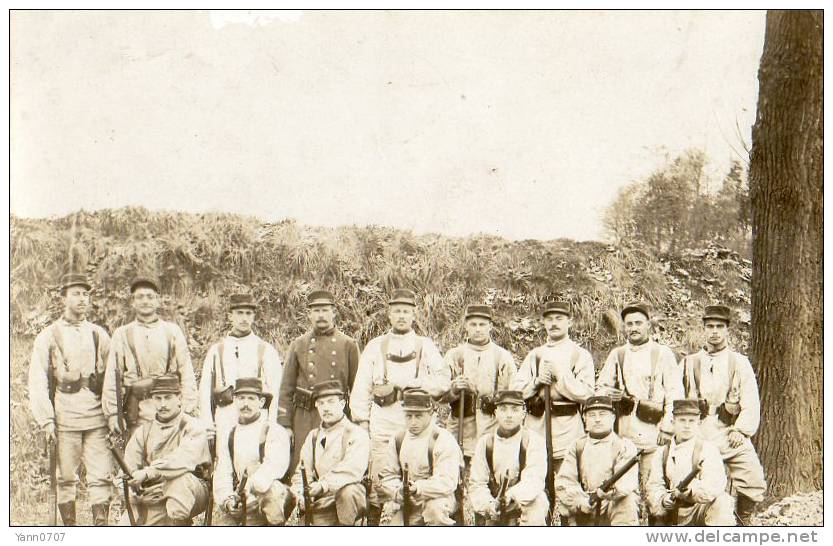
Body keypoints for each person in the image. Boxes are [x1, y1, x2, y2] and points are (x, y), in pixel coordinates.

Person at [349, 289, 450, 524]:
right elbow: (361, 386)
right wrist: (362, 423)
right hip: (383, 421)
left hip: (417, 422)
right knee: (378, 477)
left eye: (406, 311)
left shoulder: (425, 346)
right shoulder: (375, 346)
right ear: (389, 315)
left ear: (414, 315)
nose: (401, 316)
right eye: (397, 311)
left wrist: (417, 384)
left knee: (420, 472)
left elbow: (444, 380)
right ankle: (374, 522)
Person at [28, 273, 113, 525]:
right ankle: (70, 529)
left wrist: (113, 414)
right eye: (76, 293)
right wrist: (46, 419)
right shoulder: (48, 336)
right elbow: (37, 380)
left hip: (97, 417)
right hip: (65, 416)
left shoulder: (99, 335)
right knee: (65, 477)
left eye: (86, 294)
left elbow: (113, 379)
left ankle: (101, 526)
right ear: (63, 297)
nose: (82, 299)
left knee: (101, 476)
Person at [679, 305, 766, 525]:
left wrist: (741, 430)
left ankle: (742, 521)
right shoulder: (689, 362)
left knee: (753, 478)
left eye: (720, 326)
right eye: (710, 326)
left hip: (728, 431)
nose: (714, 331)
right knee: (688, 481)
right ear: (703, 329)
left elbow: (750, 399)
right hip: (696, 433)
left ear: (727, 330)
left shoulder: (739, 362)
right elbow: (675, 398)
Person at [595, 302, 683, 493]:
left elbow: (675, 393)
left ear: (648, 326)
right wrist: (609, 393)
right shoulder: (617, 354)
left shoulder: (662, 354)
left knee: (654, 487)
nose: (633, 328)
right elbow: (600, 389)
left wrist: (668, 428)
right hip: (623, 432)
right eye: (629, 324)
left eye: (638, 323)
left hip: (653, 430)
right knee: (624, 488)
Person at [103, 276, 197, 438]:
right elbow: (113, 376)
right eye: (140, 297)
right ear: (133, 302)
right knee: (137, 457)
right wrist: (112, 414)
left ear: (157, 301)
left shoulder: (172, 331)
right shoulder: (122, 334)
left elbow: (186, 371)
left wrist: (188, 408)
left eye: (150, 296)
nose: (145, 301)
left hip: (170, 406)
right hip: (137, 410)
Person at [278, 289, 360, 475]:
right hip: (305, 416)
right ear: (309, 314)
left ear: (333, 312)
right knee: (301, 466)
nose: (321, 315)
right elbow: (286, 388)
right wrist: (285, 424)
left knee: (336, 461)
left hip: (336, 415)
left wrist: (357, 421)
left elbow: (357, 388)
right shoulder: (298, 344)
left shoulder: (348, 344)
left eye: (325, 310)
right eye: (316, 310)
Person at [512, 301, 594, 475]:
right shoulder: (535, 355)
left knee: (567, 477)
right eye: (549, 319)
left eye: (559, 319)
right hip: (537, 426)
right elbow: (516, 392)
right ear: (544, 323)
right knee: (536, 477)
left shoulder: (579, 355)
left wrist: (561, 376)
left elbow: (587, 394)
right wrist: (536, 382)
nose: (554, 323)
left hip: (568, 427)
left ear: (569, 322)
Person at [117, 375, 210, 526]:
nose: (163, 404)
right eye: (158, 398)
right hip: (152, 496)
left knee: (180, 483)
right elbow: (128, 471)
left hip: (189, 491)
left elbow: (182, 460)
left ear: (179, 398)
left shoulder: (193, 427)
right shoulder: (143, 431)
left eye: (168, 398)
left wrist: (148, 473)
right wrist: (135, 491)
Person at [199, 293, 283, 444]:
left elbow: (276, 391)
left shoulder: (265, 350)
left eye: (248, 313)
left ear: (253, 317)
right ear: (230, 316)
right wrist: (207, 423)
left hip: (256, 418)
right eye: (239, 313)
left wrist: (271, 424)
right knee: (224, 461)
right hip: (225, 417)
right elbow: (205, 391)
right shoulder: (217, 350)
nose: (244, 318)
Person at [213, 378, 295, 526]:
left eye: (251, 399)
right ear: (235, 401)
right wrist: (228, 500)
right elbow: (223, 472)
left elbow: (274, 467)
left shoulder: (274, 431)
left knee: (273, 495)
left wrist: (248, 492)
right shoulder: (229, 434)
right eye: (241, 398)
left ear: (261, 402)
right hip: (241, 498)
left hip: (270, 497)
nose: (245, 404)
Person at [441, 305, 516, 461]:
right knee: (455, 470)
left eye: (482, 324)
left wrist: (492, 398)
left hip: (491, 425)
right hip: (460, 425)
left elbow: (513, 394)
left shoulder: (502, 356)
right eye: (473, 324)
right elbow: (440, 396)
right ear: (466, 326)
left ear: (490, 326)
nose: (478, 329)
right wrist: (454, 389)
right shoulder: (454, 355)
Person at [377, 389, 462, 526]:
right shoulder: (398, 438)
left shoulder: (443, 439)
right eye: (409, 416)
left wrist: (418, 488)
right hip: (406, 500)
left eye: (418, 416)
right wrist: (398, 491)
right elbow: (388, 475)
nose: (413, 422)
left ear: (430, 413)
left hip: (437, 497)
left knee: (435, 511)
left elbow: (447, 481)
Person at [291, 379, 370, 525]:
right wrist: (301, 493)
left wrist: (322, 485)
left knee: (348, 492)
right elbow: (302, 472)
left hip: (348, 500)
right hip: (321, 500)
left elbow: (351, 470)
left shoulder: (356, 434)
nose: (325, 408)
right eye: (321, 403)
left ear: (342, 404)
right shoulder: (313, 436)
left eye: (331, 402)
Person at [646, 399, 735, 526]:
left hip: (699, 509)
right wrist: (663, 499)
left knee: (722, 500)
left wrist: (691, 492)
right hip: (673, 513)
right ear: (673, 422)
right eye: (682, 420)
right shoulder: (662, 453)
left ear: (698, 423)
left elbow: (715, 485)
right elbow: (654, 486)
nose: (687, 425)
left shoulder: (708, 449)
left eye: (691, 421)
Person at [556, 396, 640, 526]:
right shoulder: (577, 446)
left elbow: (625, 485)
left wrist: (606, 495)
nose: (597, 419)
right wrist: (581, 501)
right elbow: (565, 481)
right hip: (585, 506)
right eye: (591, 415)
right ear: (584, 419)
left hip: (612, 505)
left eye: (603, 414)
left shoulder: (624, 446)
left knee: (627, 502)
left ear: (612, 418)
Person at [469, 390, 548, 526]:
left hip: (522, 500)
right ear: (495, 413)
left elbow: (534, 480)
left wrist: (511, 496)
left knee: (539, 502)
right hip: (494, 502)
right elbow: (477, 483)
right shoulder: (486, 443)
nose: (509, 415)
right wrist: (488, 505)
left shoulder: (534, 440)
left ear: (523, 414)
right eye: (503, 410)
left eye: (515, 410)